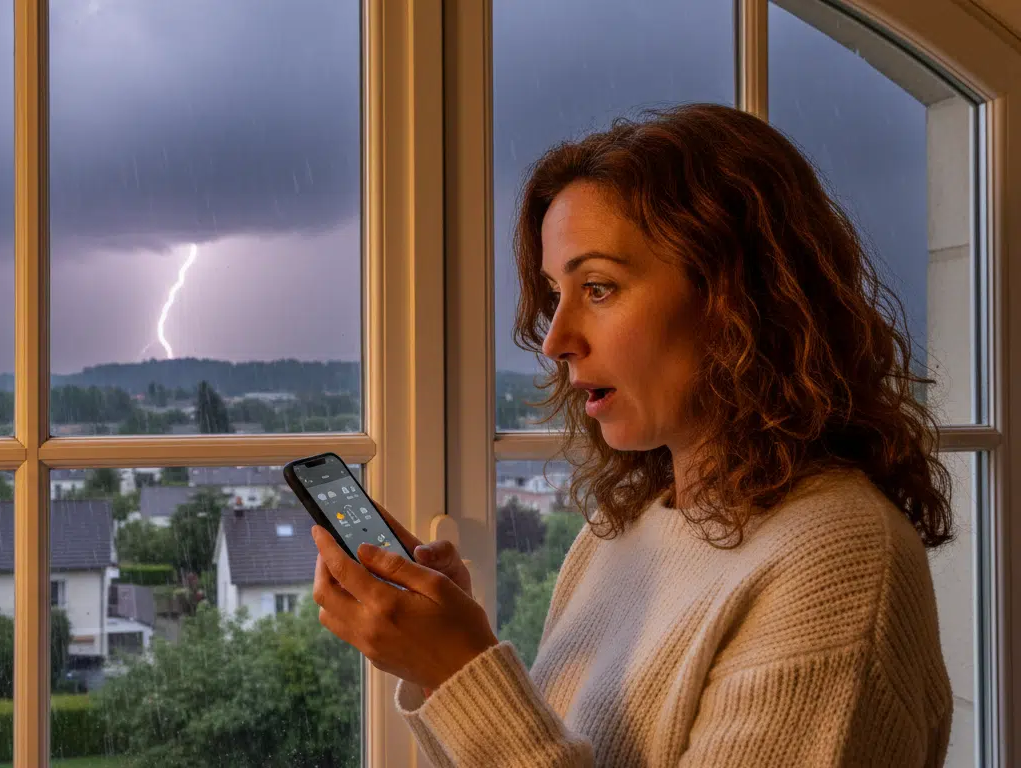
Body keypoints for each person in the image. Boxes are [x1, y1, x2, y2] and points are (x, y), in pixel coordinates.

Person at [310, 103, 954, 767]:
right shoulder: (621, 534)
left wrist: (460, 671)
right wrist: (440, 661)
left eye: (598, 288)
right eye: (553, 294)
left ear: (740, 297)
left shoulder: (840, 562)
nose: (556, 340)